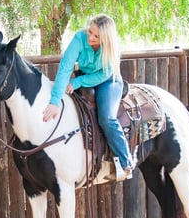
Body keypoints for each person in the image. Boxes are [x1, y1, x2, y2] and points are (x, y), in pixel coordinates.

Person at [43, 13, 136, 180]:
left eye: (96, 36)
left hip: (108, 80)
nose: (90, 37)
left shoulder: (113, 46)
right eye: (90, 32)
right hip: (84, 77)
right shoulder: (79, 38)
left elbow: (105, 73)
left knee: (107, 118)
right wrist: (55, 101)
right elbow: (65, 66)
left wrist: (78, 82)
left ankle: (125, 162)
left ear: (105, 39)